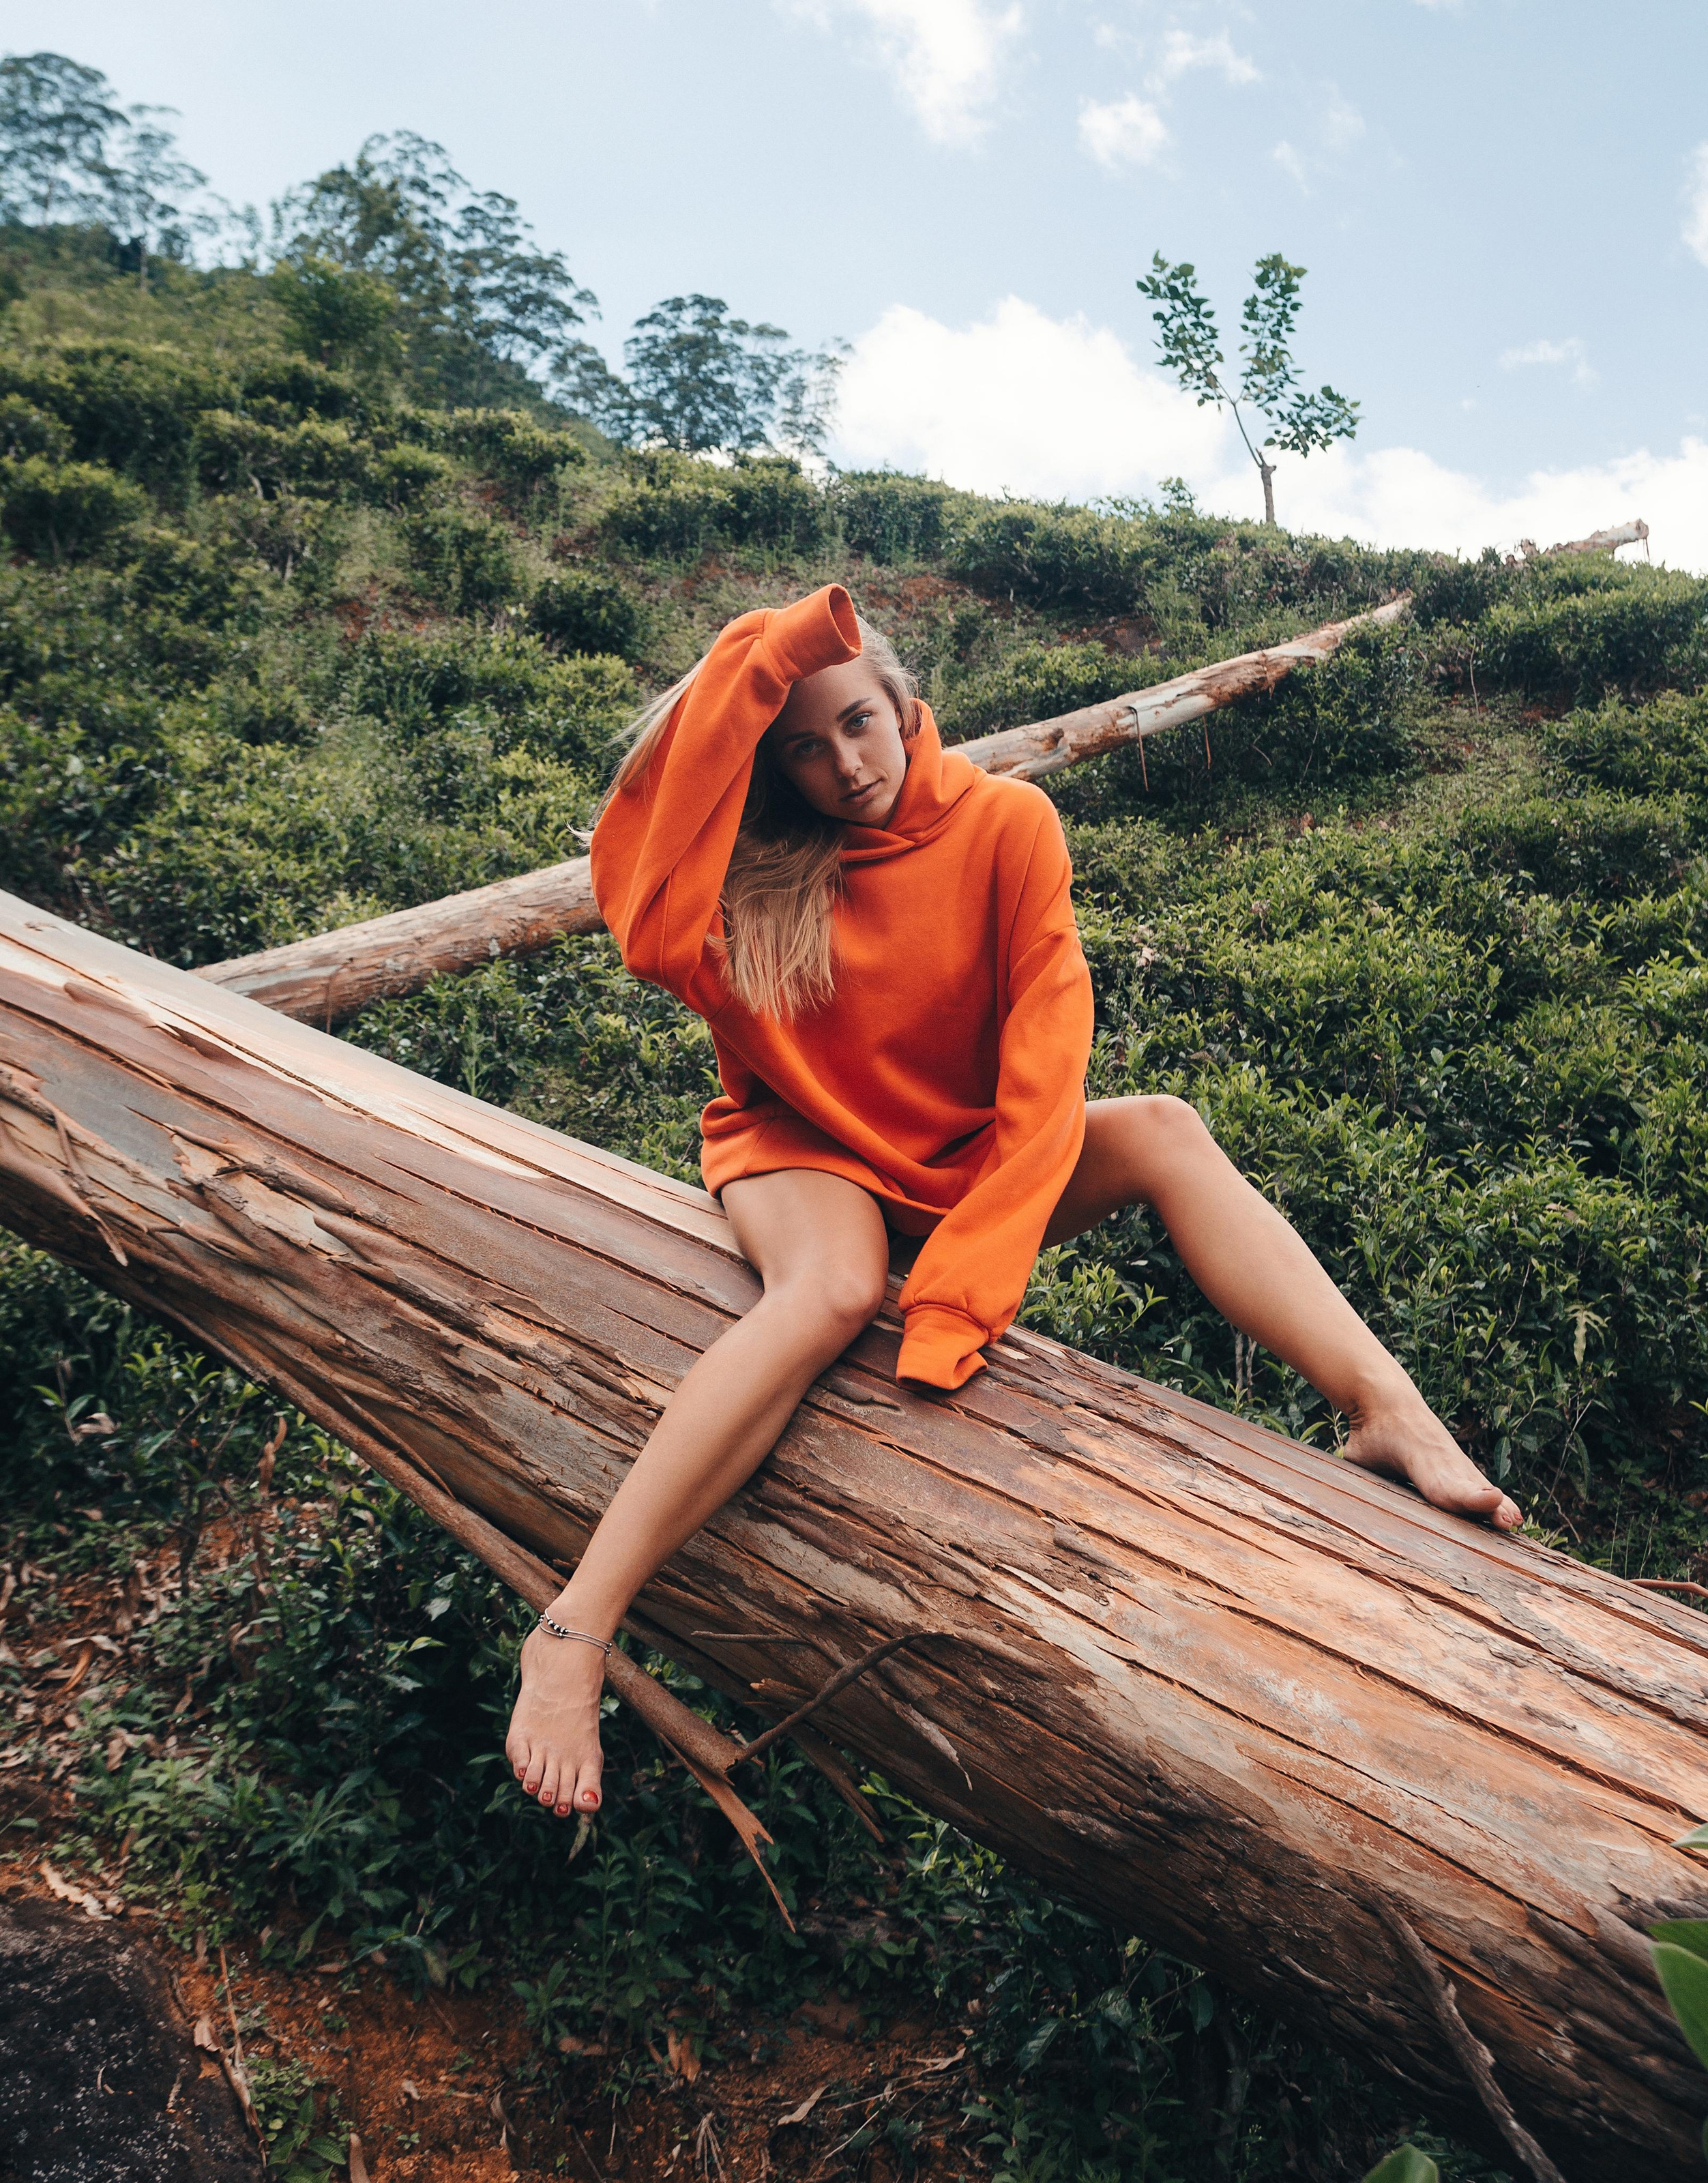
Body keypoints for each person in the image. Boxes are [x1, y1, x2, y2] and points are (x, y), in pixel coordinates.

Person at [505, 585, 1520, 1821]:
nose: (844, 764)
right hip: (801, 1151)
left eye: (861, 724)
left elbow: (1048, 1056)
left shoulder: (1007, 824)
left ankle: (1386, 1408)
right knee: (834, 1289)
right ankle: (575, 1629)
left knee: (1161, 1129)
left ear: (907, 708)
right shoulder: (757, 865)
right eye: (804, 747)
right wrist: (758, 669)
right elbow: (644, 892)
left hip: (964, 1163)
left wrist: (967, 1280)